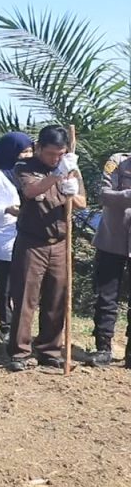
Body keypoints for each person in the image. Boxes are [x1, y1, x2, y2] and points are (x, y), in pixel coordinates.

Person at [6, 126, 86, 372]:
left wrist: (71, 190)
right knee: (26, 297)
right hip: (32, 243)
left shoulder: (71, 168)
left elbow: (82, 204)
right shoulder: (25, 167)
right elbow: (30, 191)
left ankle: (50, 349)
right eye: (51, 154)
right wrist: (55, 176)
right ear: (39, 147)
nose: (56, 159)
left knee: (57, 298)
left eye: (60, 154)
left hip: (60, 242)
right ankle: (20, 351)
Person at [0, 133, 34, 344]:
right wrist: (6, 209)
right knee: (5, 283)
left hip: (27, 233)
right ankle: (5, 324)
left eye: (31, 151)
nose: (28, 155)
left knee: (22, 282)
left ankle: (20, 325)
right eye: (24, 151)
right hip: (5, 234)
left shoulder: (29, 173)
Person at [86, 151, 131, 367]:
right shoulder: (118, 162)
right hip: (112, 239)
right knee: (106, 296)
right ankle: (103, 347)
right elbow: (104, 194)